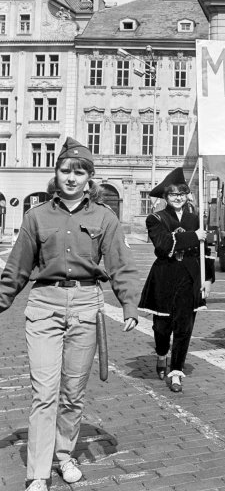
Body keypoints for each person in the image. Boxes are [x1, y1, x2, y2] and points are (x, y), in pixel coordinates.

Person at [0, 137, 140, 490]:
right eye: (65, 171)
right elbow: (16, 269)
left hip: (85, 307)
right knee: (44, 392)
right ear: (56, 174)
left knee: (72, 392)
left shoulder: (104, 217)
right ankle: (38, 473)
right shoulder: (36, 217)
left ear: (89, 179)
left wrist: (129, 305)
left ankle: (64, 455)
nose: (71, 178)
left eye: (79, 173)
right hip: (44, 305)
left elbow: (121, 265)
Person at [138, 167, 212, 392]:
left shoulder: (197, 217)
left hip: (190, 277)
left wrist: (208, 278)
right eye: (173, 194)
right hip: (164, 277)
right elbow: (163, 245)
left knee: (184, 326)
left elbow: (205, 250)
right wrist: (192, 237)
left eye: (182, 193)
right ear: (165, 197)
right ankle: (162, 354)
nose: (178, 198)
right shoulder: (155, 218)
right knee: (162, 327)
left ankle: (176, 371)